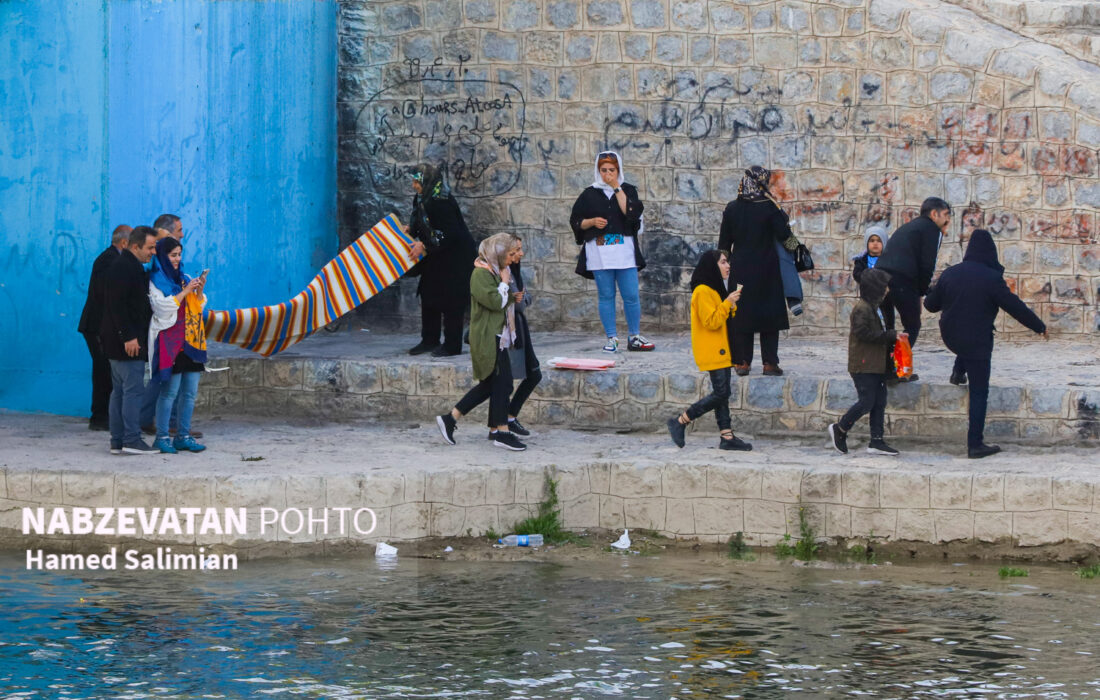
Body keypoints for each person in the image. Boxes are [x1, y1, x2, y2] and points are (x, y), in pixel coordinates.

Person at [923, 229, 1047, 459]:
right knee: (979, 391)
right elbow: (1015, 307)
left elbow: (930, 305)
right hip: (976, 342)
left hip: (950, 336)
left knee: (965, 343)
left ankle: (958, 372)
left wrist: (936, 290)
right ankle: (975, 445)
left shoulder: (951, 273)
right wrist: (1040, 327)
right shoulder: (991, 279)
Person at [436, 233, 525, 451]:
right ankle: (501, 432)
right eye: (510, 254)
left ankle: (453, 419)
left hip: (499, 336)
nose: (513, 258)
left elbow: (504, 301)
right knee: (501, 383)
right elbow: (495, 302)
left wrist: (512, 294)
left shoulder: (495, 271)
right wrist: (505, 285)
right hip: (487, 337)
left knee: (494, 384)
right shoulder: (480, 274)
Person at [666, 250, 752, 451]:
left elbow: (721, 315)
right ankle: (680, 421)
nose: (727, 266)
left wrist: (730, 304)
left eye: (727, 262)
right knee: (722, 392)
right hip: (713, 349)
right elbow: (711, 322)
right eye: (723, 262)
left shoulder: (714, 289)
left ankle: (727, 436)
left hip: (722, 348)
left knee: (722, 393)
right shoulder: (702, 291)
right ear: (712, 265)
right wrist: (727, 303)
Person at [570, 151, 654, 353]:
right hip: (599, 251)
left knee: (631, 295)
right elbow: (575, 220)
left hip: (624, 251)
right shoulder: (589, 194)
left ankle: (634, 336)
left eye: (612, 170)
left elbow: (632, 215)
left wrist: (616, 187)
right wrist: (591, 222)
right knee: (606, 295)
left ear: (619, 170)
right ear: (598, 170)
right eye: (604, 170)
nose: (608, 174)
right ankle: (611, 337)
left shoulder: (628, 190)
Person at [718, 166, 796, 376]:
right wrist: (798, 251)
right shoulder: (769, 207)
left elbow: (724, 243)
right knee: (769, 315)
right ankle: (769, 363)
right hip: (767, 269)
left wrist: (723, 264)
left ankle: (742, 362)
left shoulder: (732, 208)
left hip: (741, 270)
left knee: (741, 314)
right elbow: (785, 236)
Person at [827, 268, 903, 456]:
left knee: (879, 402)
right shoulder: (862, 309)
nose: (887, 290)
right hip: (863, 364)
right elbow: (863, 333)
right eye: (883, 287)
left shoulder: (875, 308)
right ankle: (840, 428)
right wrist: (891, 335)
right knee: (867, 401)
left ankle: (876, 441)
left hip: (876, 363)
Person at [404, 163, 477, 357]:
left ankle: (452, 346)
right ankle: (429, 340)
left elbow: (451, 233)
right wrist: (410, 230)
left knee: (452, 301)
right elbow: (422, 222)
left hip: (456, 258)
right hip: (437, 255)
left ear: (427, 182)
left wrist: (425, 245)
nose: (414, 186)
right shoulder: (422, 198)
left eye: (416, 182)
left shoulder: (440, 201)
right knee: (428, 295)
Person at [100, 226, 158, 455]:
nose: (153, 252)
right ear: (135, 246)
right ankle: (131, 439)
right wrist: (129, 337)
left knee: (120, 392)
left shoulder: (128, 266)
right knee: (132, 391)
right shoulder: (125, 268)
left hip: (119, 341)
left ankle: (118, 440)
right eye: (150, 247)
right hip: (127, 343)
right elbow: (118, 305)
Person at [147, 237, 208, 454]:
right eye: (173, 255)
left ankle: (183, 435)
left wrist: (198, 290)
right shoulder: (156, 280)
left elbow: (198, 305)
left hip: (191, 342)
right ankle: (162, 437)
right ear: (164, 255)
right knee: (169, 393)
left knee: (189, 393)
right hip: (170, 344)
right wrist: (184, 292)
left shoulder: (186, 278)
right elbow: (161, 307)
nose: (177, 259)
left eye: (179, 254)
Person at [876, 197, 951, 365]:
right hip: (902, 280)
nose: (947, 220)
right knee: (913, 326)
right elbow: (927, 264)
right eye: (945, 215)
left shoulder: (910, 227)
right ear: (934, 214)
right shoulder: (932, 229)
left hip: (880, 278)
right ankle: (897, 368)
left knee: (889, 327)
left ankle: (886, 369)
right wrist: (922, 291)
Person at [77, 224, 130, 431]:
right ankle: (100, 417)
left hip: (99, 326)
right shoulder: (109, 260)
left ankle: (104, 416)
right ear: (124, 243)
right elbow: (106, 295)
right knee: (103, 370)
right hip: (96, 326)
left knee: (106, 369)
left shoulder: (110, 259)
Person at [504, 234, 541, 437]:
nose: (521, 253)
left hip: (519, 327)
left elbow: (524, 297)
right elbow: (519, 302)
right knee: (503, 382)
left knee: (534, 373)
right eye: (517, 250)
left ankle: (508, 418)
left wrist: (523, 297)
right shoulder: (504, 271)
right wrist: (522, 298)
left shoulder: (513, 271)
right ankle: (501, 422)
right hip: (509, 329)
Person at [852, 225, 894, 329]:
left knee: (887, 321)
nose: (875, 243)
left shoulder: (888, 260)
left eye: (878, 241)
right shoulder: (861, 260)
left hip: (885, 298)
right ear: (867, 242)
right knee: (869, 322)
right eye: (872, 240)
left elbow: (892, 275)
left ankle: (888, 342)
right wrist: (869, 278)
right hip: (868, 298)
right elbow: (857, 274)